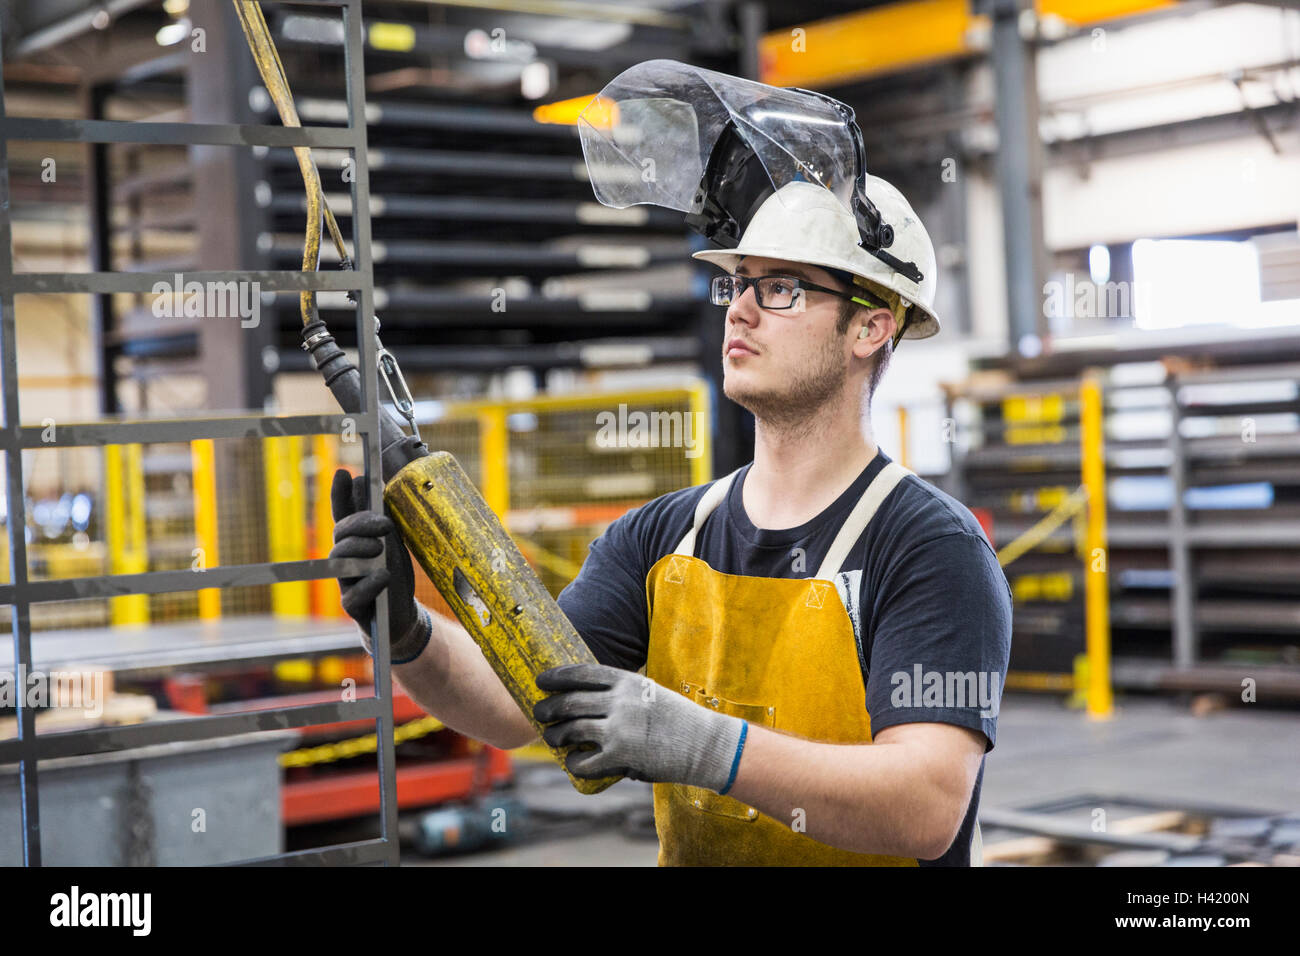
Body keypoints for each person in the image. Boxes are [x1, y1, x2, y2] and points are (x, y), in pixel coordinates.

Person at [330, 171, 1012, 866]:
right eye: (739, 283)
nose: (740, 310)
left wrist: (701, 745)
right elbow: (520, 705)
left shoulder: (933, 549)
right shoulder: (659, 537)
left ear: (871, 325)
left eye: (781, 289)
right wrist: (407, 630)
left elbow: (926, 804)